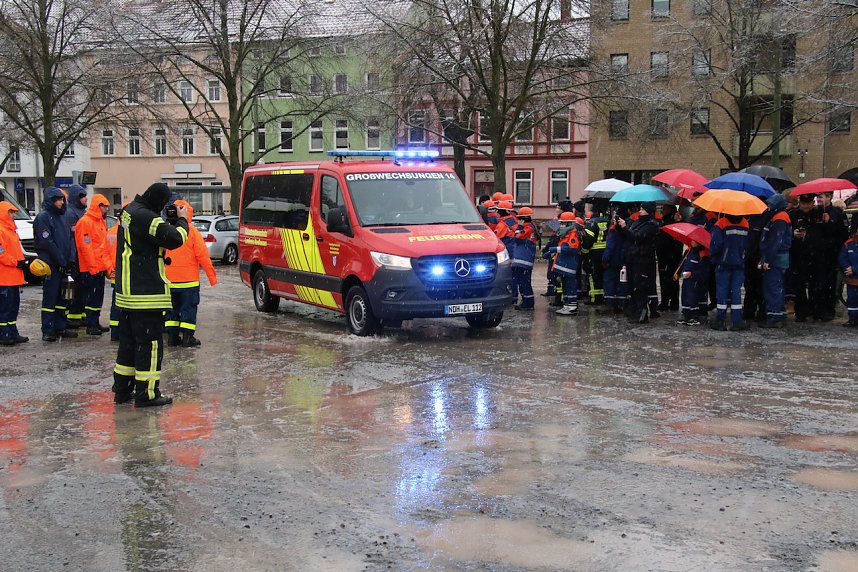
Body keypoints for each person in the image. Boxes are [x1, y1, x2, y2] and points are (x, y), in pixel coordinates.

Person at [112, 183, 189, 407]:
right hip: (146, 293)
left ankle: (122, 390)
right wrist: (183, 221)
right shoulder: (147, 218)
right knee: (150, 345)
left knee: (128, 344)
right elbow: (174, 239)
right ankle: (148, 394)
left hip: (126, 293)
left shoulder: (129, 211)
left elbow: (147, 237)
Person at [164, 200, 217, 347]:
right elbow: (203, 256)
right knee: (188, 309)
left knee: (171, 311)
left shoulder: (166, 230)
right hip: (189, 282)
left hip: (169, 282)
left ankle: (172, 337)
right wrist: (212, 277)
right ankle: (187, 337)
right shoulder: (192, 232)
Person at [33, 186, 77, 342]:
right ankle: (48, 329)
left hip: (63, 264)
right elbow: (47, 242)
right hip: (51, 264)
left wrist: (70, 260)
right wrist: (61, 260)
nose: (60, 202)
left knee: (63, 298)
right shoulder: (43, 217)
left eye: (61, 199)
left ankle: (60, 326)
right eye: (57, 199)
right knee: (50, 298)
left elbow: (70, 239)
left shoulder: (63, 217)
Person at [74, 194, 114, 335]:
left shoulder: (99, 222)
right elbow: (85, 248)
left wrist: (107, 266)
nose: (106, 209)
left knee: (97, 297)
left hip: (98, 267)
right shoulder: (86, 222)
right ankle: (91, 325)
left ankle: (94, 323)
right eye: (105, 207)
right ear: (98, 206)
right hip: (90, 269)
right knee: (92, 297)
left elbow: (102, 247)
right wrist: (93, 268)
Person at [617, 202, 660, 323]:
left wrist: (625, 228)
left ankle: (641, 314)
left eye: (643, 209)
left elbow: (638, 237)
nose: (640, 210)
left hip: (643, 260)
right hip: (632, 258)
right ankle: (634, 311)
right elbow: (628, 236)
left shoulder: (651, 225)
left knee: (640, 287)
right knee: (632, 287)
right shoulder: (637, 222)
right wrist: (620, 227)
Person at [709, 214, 750, 331]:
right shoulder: (745, 223)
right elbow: (747, 244)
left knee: (722, 291)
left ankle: (720, 320)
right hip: (738, 262)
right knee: (735, 291)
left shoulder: (721, 223)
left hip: (723, 263)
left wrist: (714, 257)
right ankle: (737, 321)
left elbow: (716, 244)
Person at [758, 194, 792, 328]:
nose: (769, 206)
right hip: (778, 257)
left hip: (776, 258)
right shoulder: (780, 217)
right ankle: (777, 314)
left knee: (773, 287)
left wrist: (767, 259)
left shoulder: (779, 218)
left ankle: (775, 316)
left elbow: (775, 241)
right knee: (776, 287)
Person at [0, 200, 29, 345]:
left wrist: (21, 262)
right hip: (4, 277)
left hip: (13, 276)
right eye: (10, 212)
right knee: (5, 308)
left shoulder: (11, 231)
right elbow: (1, 253)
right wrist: (16, 262)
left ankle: (11, 331)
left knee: (13, 307)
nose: (13, 215)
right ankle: (4, 334)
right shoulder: (1, 230)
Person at [63, 185, 89, 328]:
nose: (85, 198)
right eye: (82, 196)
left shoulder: (82, 213)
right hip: (75, 257)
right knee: (73, 288)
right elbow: (71, 238)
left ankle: (80, 314)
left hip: (81, 256)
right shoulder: (70, 213)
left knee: (82, 288)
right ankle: (72, 315)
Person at [550, 212, 582, 316]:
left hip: (569, 265)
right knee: (566, 286)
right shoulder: (566, 233)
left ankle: (571, 307)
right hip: (564, 265)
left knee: (570, 286)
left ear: (569, 224)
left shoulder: (573, 234)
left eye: (563, 223)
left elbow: (571, 249)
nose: (561, 226)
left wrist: (556, 249)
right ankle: (567, 305)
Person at [676, 240, 709, 326]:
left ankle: (694, 315)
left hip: (695, 280)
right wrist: (678, 272)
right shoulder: (688, 251)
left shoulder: (702, 253)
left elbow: (703, 270)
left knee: (693, 296)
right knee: (684, 295)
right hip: (686, 278)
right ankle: (686, 314)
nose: (692, 242)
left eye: (695, 240)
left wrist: (693, 274)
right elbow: (683, 263)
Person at [510, 207, 538, 311]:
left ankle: (528, 303)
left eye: (519, 219)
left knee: (524, 282)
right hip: (523, 260)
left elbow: (517, 237)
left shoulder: (528, 228)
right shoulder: (530, 227)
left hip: (523, 261)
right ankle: (526, 301)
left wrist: (519, 227)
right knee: (523, 282)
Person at [655, 204, 682, 310]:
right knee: (671, 279)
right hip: (669, 254)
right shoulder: (664, 221)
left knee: (668, 279)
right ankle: (672, 301)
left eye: (664, 208)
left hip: (668, 254)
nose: (662, 210)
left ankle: (667, 301)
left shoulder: (671, 222)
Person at [602, 206, 629, 313]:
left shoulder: (613, 230)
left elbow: (610, 247)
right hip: (623, 261)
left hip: (612, 261)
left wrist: (605, 259)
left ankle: (610, 304)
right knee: (622, 283)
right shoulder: (627, 228)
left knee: (609, 282)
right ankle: (622, 303)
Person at [838, 225, 858, 327]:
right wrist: (847, 268)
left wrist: (854, 269)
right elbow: (842, 257)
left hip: (853, 274)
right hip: (852, 279)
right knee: (852, 299)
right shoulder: (849, 243)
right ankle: (852, 319)